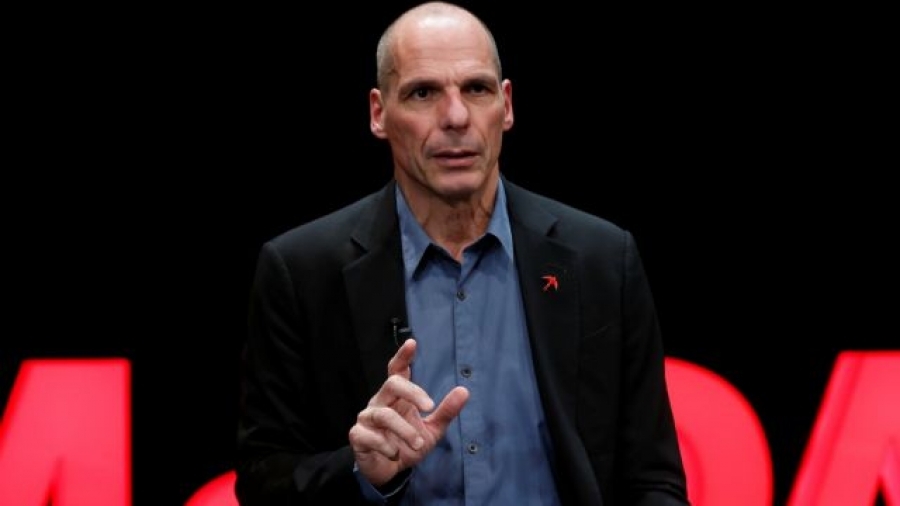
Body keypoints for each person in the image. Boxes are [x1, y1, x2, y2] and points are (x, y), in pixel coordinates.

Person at [234, 2, 689, 505]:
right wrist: (364, 472)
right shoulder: (302, 272)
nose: (456, 117)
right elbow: (262, 480)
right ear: (379, 113)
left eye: (476, 89)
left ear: (506, 105)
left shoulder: (601, 260)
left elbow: (653, 480)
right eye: (423, 93)